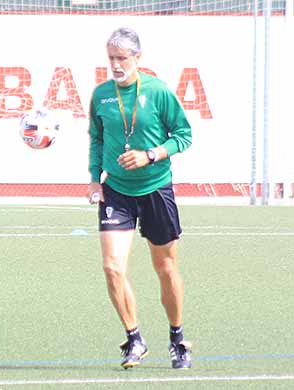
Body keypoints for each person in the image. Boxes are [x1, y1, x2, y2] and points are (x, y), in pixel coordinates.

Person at [86, 27, 193, 370]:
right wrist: (93, 180)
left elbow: (184, 136)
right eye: (111, 59)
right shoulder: (101, 95)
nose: (116, 65)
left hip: (156, 188)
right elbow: (96, 139)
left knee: (165, 267)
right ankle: (135, 338)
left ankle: (177, 338)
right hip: (116, 190)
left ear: (137, 59)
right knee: (112, 267)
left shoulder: (158, 92)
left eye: (122, 58)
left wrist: (151, 155)